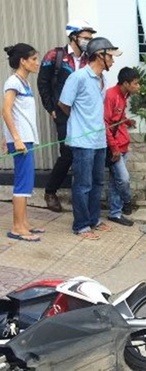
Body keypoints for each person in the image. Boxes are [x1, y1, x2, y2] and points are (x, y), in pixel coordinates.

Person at [58, 37, 121, 239]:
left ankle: (94, 220)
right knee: (83, 185)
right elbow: (64, 104)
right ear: (99, 56)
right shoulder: (78, 77)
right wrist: (79, 123)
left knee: (97, 183)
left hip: (99, 140)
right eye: (110, 56)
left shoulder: (103, 79)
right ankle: (81, 225)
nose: (113, 60)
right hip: (82, 141)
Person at [37, 20, 96, 213]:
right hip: (62, 113)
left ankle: (82, 196)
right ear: (73, 37)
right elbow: (43, 83)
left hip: (83, 116)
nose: (89, 41)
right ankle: (50, 192)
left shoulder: (90, 59)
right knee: (68, 153)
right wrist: (50, 108)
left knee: (85, 153)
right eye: (85, 38)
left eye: (90, 38)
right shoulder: (55, 56)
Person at [2, 43, 42, 242]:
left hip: (25, 138)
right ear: (22, 61)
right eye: (33, 59)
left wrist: (5, 137)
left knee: (27, 182)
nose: (37, 63)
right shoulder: (13, 81)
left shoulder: (24, 83)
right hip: (21, 140)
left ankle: (24, 223)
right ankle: (17, 228)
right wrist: (15, 139)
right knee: (23, 182)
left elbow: (14, 113)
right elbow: (6, 110)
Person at [104, 67, 140, 227]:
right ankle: (127, 201)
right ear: (125, 83)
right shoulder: (111, 95)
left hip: (122, 144)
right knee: (123, 179)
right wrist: (114, 147)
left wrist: (127, 121)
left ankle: (115, 213)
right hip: (115, 148)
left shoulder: (124, 95)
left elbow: (117, 117)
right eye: (136, 84)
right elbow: (105, 123)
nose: (138, 87)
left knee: (115, 181)